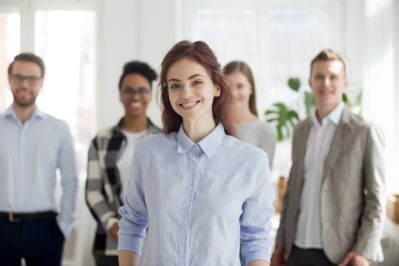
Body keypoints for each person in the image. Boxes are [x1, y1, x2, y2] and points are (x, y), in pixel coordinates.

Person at [117, 40, 275, 266]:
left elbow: (256, 238)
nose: (186, 93)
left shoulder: (251, 161)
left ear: (217, 87)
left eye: (196, 82)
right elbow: (132, 223)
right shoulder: (148, 152)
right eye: (175, 85)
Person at [271, 49, 385, 266]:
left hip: (342, 254)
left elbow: (376, 197)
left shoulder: (365, 130)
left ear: (345, 82)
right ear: (310, 82)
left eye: (333, 77)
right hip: (296, 250)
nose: (326, 83)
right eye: (319, 76)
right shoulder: (301, 130)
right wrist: (281, 245)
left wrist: (363, 250)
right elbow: (292, 192)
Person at [0, 53, 78, 266]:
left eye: (32, 79)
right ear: (9, 80)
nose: (25, 84)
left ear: (41, 83)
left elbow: (70, 181)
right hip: (2, 228)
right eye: (18, 78)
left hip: (45, 229)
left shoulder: (58, 129)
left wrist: (64, 227)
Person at [85, 61, 160, 266]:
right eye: (128, 90)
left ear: (151, 95)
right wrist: (112, 223)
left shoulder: (165, 140)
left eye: (142, 90)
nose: (135, 96)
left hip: (153, 245)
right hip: (110, 245)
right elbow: (92, 190)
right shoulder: (101, 140)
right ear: (120, 95)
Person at [223, 60, 276, 168]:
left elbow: (263, 179)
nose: (233, 93)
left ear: (250, 88)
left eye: (239, 86)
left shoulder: (266, 131)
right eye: (228, 87)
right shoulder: (213, 127)